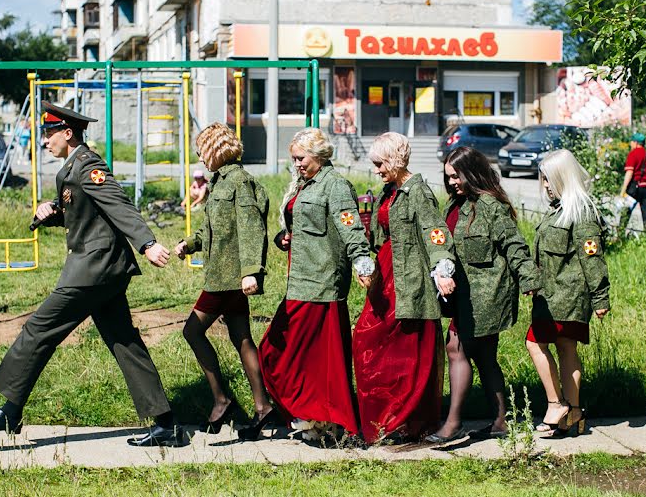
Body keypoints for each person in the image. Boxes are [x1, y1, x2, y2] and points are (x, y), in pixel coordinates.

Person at [0, 101, 183, 448]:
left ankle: (11, 409)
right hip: (102, 270)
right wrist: (50, 212)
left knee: (39, 329)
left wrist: (147, 243)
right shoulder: (70, 168)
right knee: (124, 342)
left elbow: (118, 205)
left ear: (68, 133)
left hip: (94, 269)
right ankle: (167, 424)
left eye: (50, 133)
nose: (45, 140)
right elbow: (81, 211)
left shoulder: (88, 165)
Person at [258, 128, 374, 441]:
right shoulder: (306, 183)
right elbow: (303, 226)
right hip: (299, 282)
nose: (295, 163)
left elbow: (351, 227)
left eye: (300, 158)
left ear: (319, 155)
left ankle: (326, 421)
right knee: (277, 354)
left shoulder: (335, 185)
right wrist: (285, 238)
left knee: (314, 361)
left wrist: (362, 262)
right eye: (293, 158)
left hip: (322, 284)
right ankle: (311, 417)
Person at [427, 147, 541, 443]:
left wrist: (528, 277)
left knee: (456, 348)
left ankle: (453, 424)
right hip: (462, 295)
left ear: (472, 172)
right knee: (485, 357)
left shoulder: (490, 205)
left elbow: (514, 244)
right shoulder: (455, 206)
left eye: (456, 176)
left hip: (487, 295)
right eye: (448, 176)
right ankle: (502, 420)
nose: (451, 182)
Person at [352, 132, 457, 443]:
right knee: (369, 340)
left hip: (410, 278)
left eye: (380, 164)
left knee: (404, 352)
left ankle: (404, 421)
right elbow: (381, 234)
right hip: (387, 273)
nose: (376, 170)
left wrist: (442, 267)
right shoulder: (390, 191)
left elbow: (435, 232)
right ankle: (383, 417)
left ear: (395, 160)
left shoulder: (418, 192)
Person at [174, 123, 274, 438]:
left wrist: (251, 271)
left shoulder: (239, 183)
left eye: (204, 151)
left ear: (217, 150)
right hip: (225, 275)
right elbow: (212, 229)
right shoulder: (220, 182)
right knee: (242, 338)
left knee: (192, 330)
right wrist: (188, 244)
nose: (201, 159)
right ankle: (262, 408)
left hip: (228, 278)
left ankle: (221, 400)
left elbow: (250, 229)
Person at [526, 150, 609, 437]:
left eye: (550, 179)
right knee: (565, 348)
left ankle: (555, 405)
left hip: (568, 296)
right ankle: (573, 414)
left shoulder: (581, 213)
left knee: (535, 344)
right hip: (550, 294)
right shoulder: (558, 209)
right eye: (544, 179)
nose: (546, 185)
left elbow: (592, 257)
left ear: (563, 178)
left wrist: (601, 298)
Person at [620, 132, 646, 233]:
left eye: (631, 142)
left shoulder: (633, 154)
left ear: (636, 143)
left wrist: (623, 190)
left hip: (635, 187)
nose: (630, 144)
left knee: (626, 212)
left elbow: (629, 172)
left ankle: (619, 234)